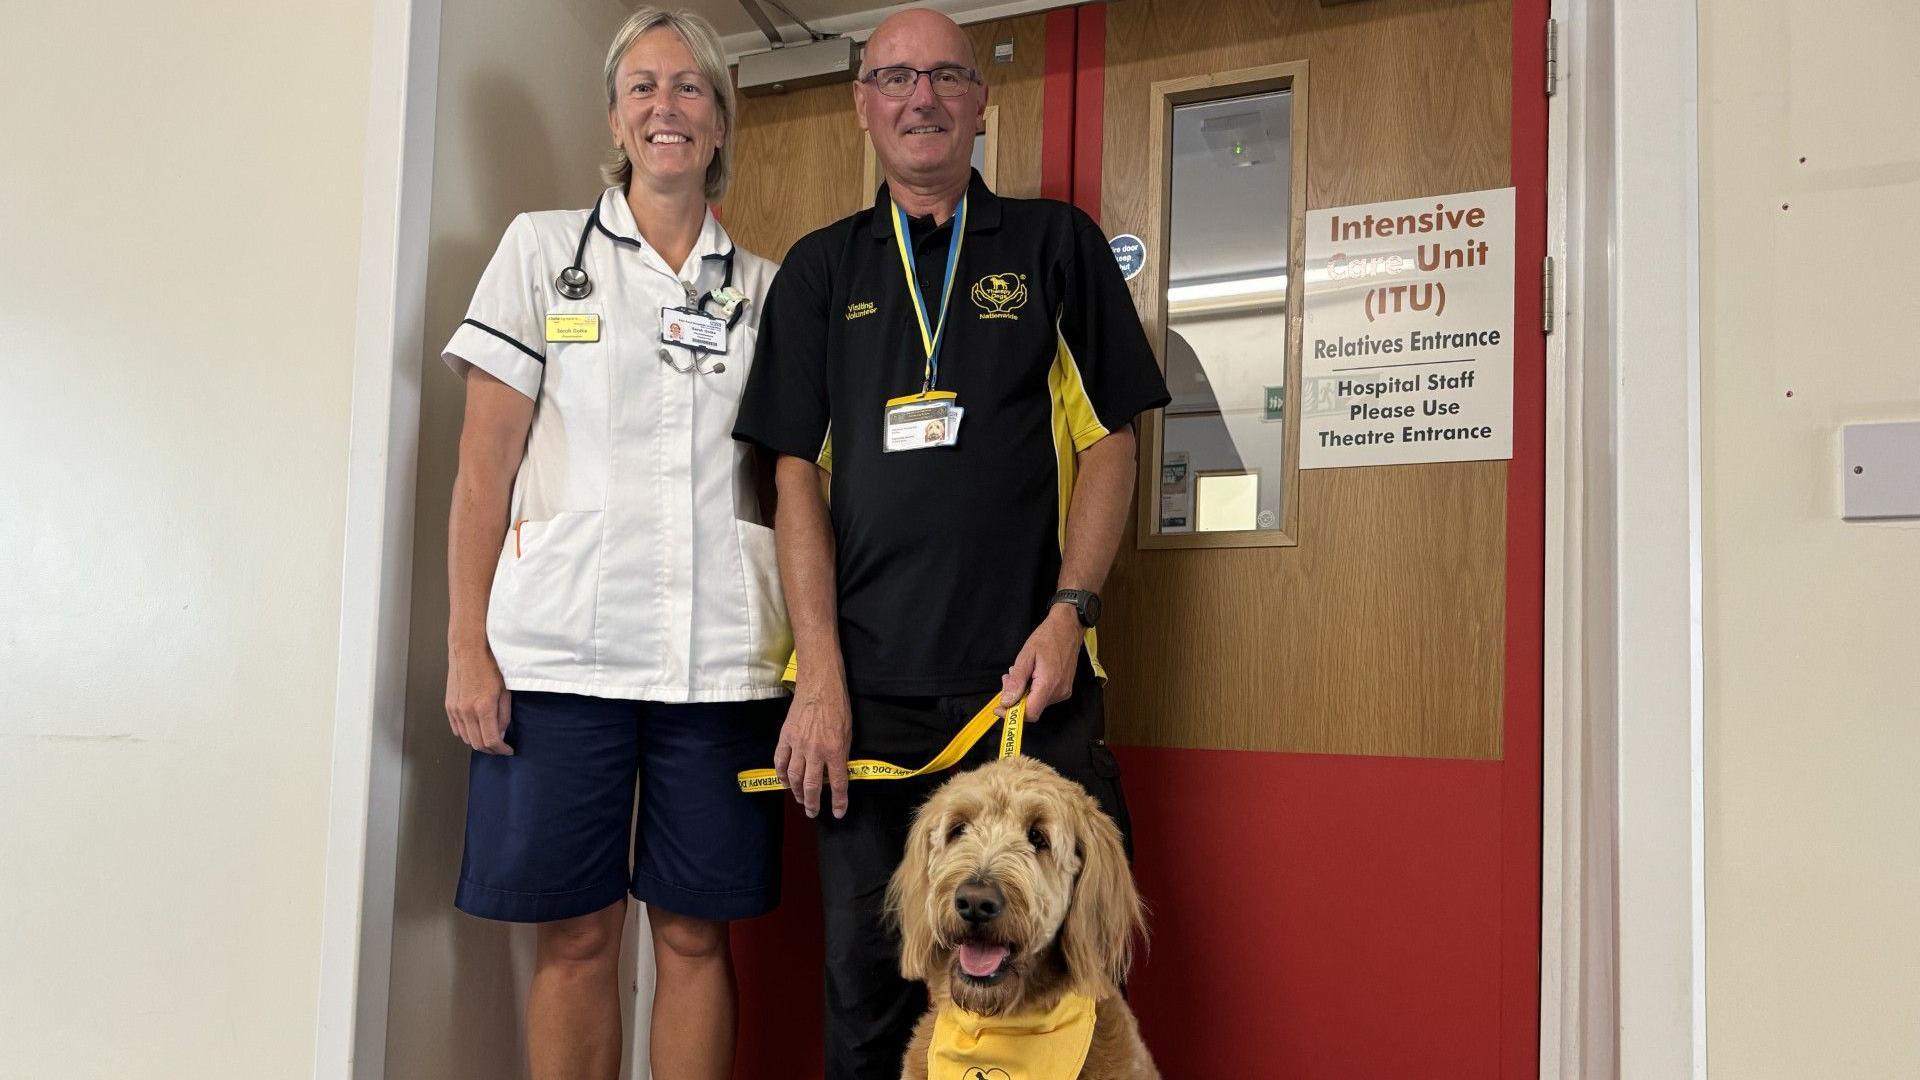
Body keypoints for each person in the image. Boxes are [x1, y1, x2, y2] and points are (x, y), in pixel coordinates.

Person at [731, 9, 1171, 1076]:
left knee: (1070, 986)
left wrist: (1072, 613)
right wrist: (819, 678)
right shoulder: (819, 272)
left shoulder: (1058, 247)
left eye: (942, 77)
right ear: (862, 107)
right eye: (892, 78)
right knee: (875, 995)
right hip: (866, 694)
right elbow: (795, 475)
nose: (918, 98)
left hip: (1032, 688)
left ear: (981, 101)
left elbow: (1110, 445)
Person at [440, 10, 787, 1079]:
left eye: (688, 88)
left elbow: (790, 487)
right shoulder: (543, 252)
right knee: (578, 932)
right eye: (641, 87)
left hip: (718, 661)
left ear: (721, 121)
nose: (664, 107)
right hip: (558, 654)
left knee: (694, 933)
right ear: (614, 116)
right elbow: (481, 470)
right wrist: (467, 647)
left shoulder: (770, 291)